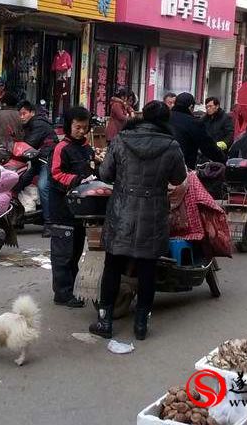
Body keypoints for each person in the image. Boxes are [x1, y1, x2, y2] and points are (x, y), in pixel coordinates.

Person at [89, 101, 187, 340]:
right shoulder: (171, 145)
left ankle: (105, 320)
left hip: (122, 209)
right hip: (153, 211)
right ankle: (141, 324)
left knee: (112, 264)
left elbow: (105, 174)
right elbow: (179, 177)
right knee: (147, 268)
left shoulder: (122, 140)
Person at [49, 106, 95, 308]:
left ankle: (73, 289)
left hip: (79, 211)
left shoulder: (86, 147)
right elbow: (56, 175)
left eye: (85, 127)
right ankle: (62, 293)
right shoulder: (61, 148)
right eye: (78, 127)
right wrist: (78, 179)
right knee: (63, 254)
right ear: (69, 126)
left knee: (76, 252)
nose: (82, 131)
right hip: (62, 209)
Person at [17, 100, 59, 236]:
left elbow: (28, 145)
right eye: (20, 114)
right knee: (19, 182)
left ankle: (49, 223)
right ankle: (18, 218)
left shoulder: (38, 124)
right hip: (38, 160)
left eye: (24, 113)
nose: (21, 116)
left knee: (43, 186)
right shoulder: (27, 126)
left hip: (47, 160)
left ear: (32, 113)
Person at [170, 92, 225, 169]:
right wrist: (223, 160)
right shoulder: (193, 123)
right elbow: (208, 147)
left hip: (158, 166)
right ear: (191, 107)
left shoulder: (164, 117)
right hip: (181, 168)